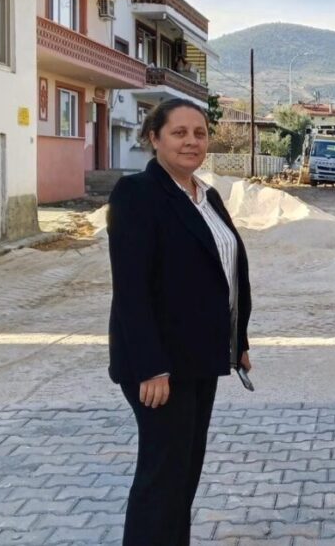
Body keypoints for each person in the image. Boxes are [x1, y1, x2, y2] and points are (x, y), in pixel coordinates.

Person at [107, 97, 252, 545]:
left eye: (200, 133)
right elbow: (131, 289)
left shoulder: (205, 195)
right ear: (154, 138)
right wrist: (151, 365)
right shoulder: (137, 195)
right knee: (161, 477)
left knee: (184, 473)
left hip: (201, 359)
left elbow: (227, 271)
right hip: (160, 367)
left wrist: (238, 340)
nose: (192, 141)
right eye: (179, 132)